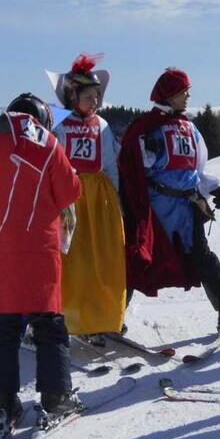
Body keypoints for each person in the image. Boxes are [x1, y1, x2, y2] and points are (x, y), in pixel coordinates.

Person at [0, 93, 82, 434]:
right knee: (49, 324)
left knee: (3, 326)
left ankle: (4, 403)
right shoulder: (47, 143)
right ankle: (56, 397)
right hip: (37, 247)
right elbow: (69, 192)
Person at [118, 68, 220, 332]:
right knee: (138, 259)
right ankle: (113, 315)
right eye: (183, 92)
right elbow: (133, 168)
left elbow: (197, 169)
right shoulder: (145, 128)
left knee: (202, 256)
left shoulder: (190, 129)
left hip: (187, 208)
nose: (188, 96)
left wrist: (214, 188)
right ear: (170, 94)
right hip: (155, 209)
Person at [46, 54, 126, 345]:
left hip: (99, 200)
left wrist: (116, 201)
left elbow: (109, 164)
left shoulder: (101, 126)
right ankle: (64, 319)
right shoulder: (58, 125)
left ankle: (100, 319)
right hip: (69, 199)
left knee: (102, 261)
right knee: (70, 263)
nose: (94, 102)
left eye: (97, 96)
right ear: (71, 95)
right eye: (89, 96)